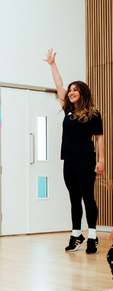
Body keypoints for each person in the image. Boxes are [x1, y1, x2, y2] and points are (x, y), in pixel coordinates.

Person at [44, 48, 104, 254]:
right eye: (70, 90)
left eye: (75, 90)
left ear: (82, 93)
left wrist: (101, 160)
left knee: (88, 197)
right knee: (73, 198)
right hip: (68, 160)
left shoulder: (94, 114)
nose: (70, 92)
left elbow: (99, 139)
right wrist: (52, 64)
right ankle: (76, 234)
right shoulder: (68, 110)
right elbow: (59, 84)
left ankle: (93, 237)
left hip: (86, 160)